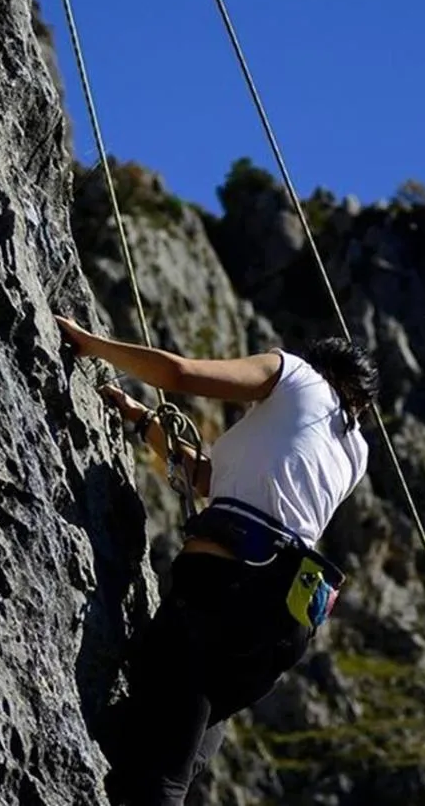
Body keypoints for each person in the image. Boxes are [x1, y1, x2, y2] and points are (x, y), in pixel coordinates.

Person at [56, 315, 378, 806]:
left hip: (225, 592)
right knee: (153, 738)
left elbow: (182, 375)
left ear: (318, 365)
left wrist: (94, 345)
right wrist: (142, 420)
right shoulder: (355, 450)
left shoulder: (293, 373)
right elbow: (213, 480)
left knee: (157, 776)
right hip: (286, 620)